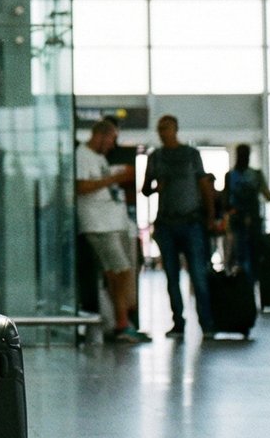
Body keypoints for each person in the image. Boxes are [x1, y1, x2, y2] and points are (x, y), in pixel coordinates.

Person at [75, 118, 149, 344]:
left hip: (112, 222)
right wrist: (115, 177)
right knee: (120, 270)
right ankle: (121, 322)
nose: (113, 145)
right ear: (101, 135)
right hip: (99, 224)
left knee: (118, 272)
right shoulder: (82, 156)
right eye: (112, 139)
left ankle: (122, 321)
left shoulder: (99, 159)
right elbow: (82, 187)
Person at [142, 114, 214, 338]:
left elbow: (204, 186)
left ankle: (207, 323)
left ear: (175, 129)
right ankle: (178, 322)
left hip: (191, 222)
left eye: (167, 128)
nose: (163, 133)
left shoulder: (191, 155)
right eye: (160, 129)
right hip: (166, 223)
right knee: (171, 276)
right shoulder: (155, 157)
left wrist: (210, 216)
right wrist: (156, 187)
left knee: (198, 274)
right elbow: (145, 189)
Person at [223, 144, 270, 284]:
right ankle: (247, 281)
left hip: (247, 219)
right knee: (244, 253)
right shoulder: (246, 175)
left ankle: (247, 281)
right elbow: (265, 194)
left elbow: (226, 199)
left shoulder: (237, 175)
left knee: (245, 253)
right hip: (242, 219)